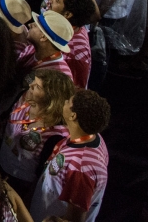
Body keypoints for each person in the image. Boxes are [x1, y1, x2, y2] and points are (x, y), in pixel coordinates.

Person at [32, 89, 110, 222]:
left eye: (68, 102)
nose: (64, 102)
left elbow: (74, 218)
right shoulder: (92, 137)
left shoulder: (80, 167)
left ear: (73, 115)